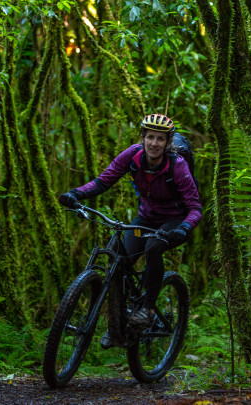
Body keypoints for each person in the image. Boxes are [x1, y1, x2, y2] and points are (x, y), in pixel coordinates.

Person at [58, 113, 201, 346]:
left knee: (153, 247)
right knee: (117, 253)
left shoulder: (178, 166)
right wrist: (76, 194)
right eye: (150, 137)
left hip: (174, 222)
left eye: (160, 139)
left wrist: (184, 228)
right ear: (143, 137)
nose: (154, 143)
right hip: (144, 220)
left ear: (168, 143)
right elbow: (103, 181)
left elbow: (195, 207)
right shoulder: (132, 156)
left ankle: (147, 309)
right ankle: (117, 322)